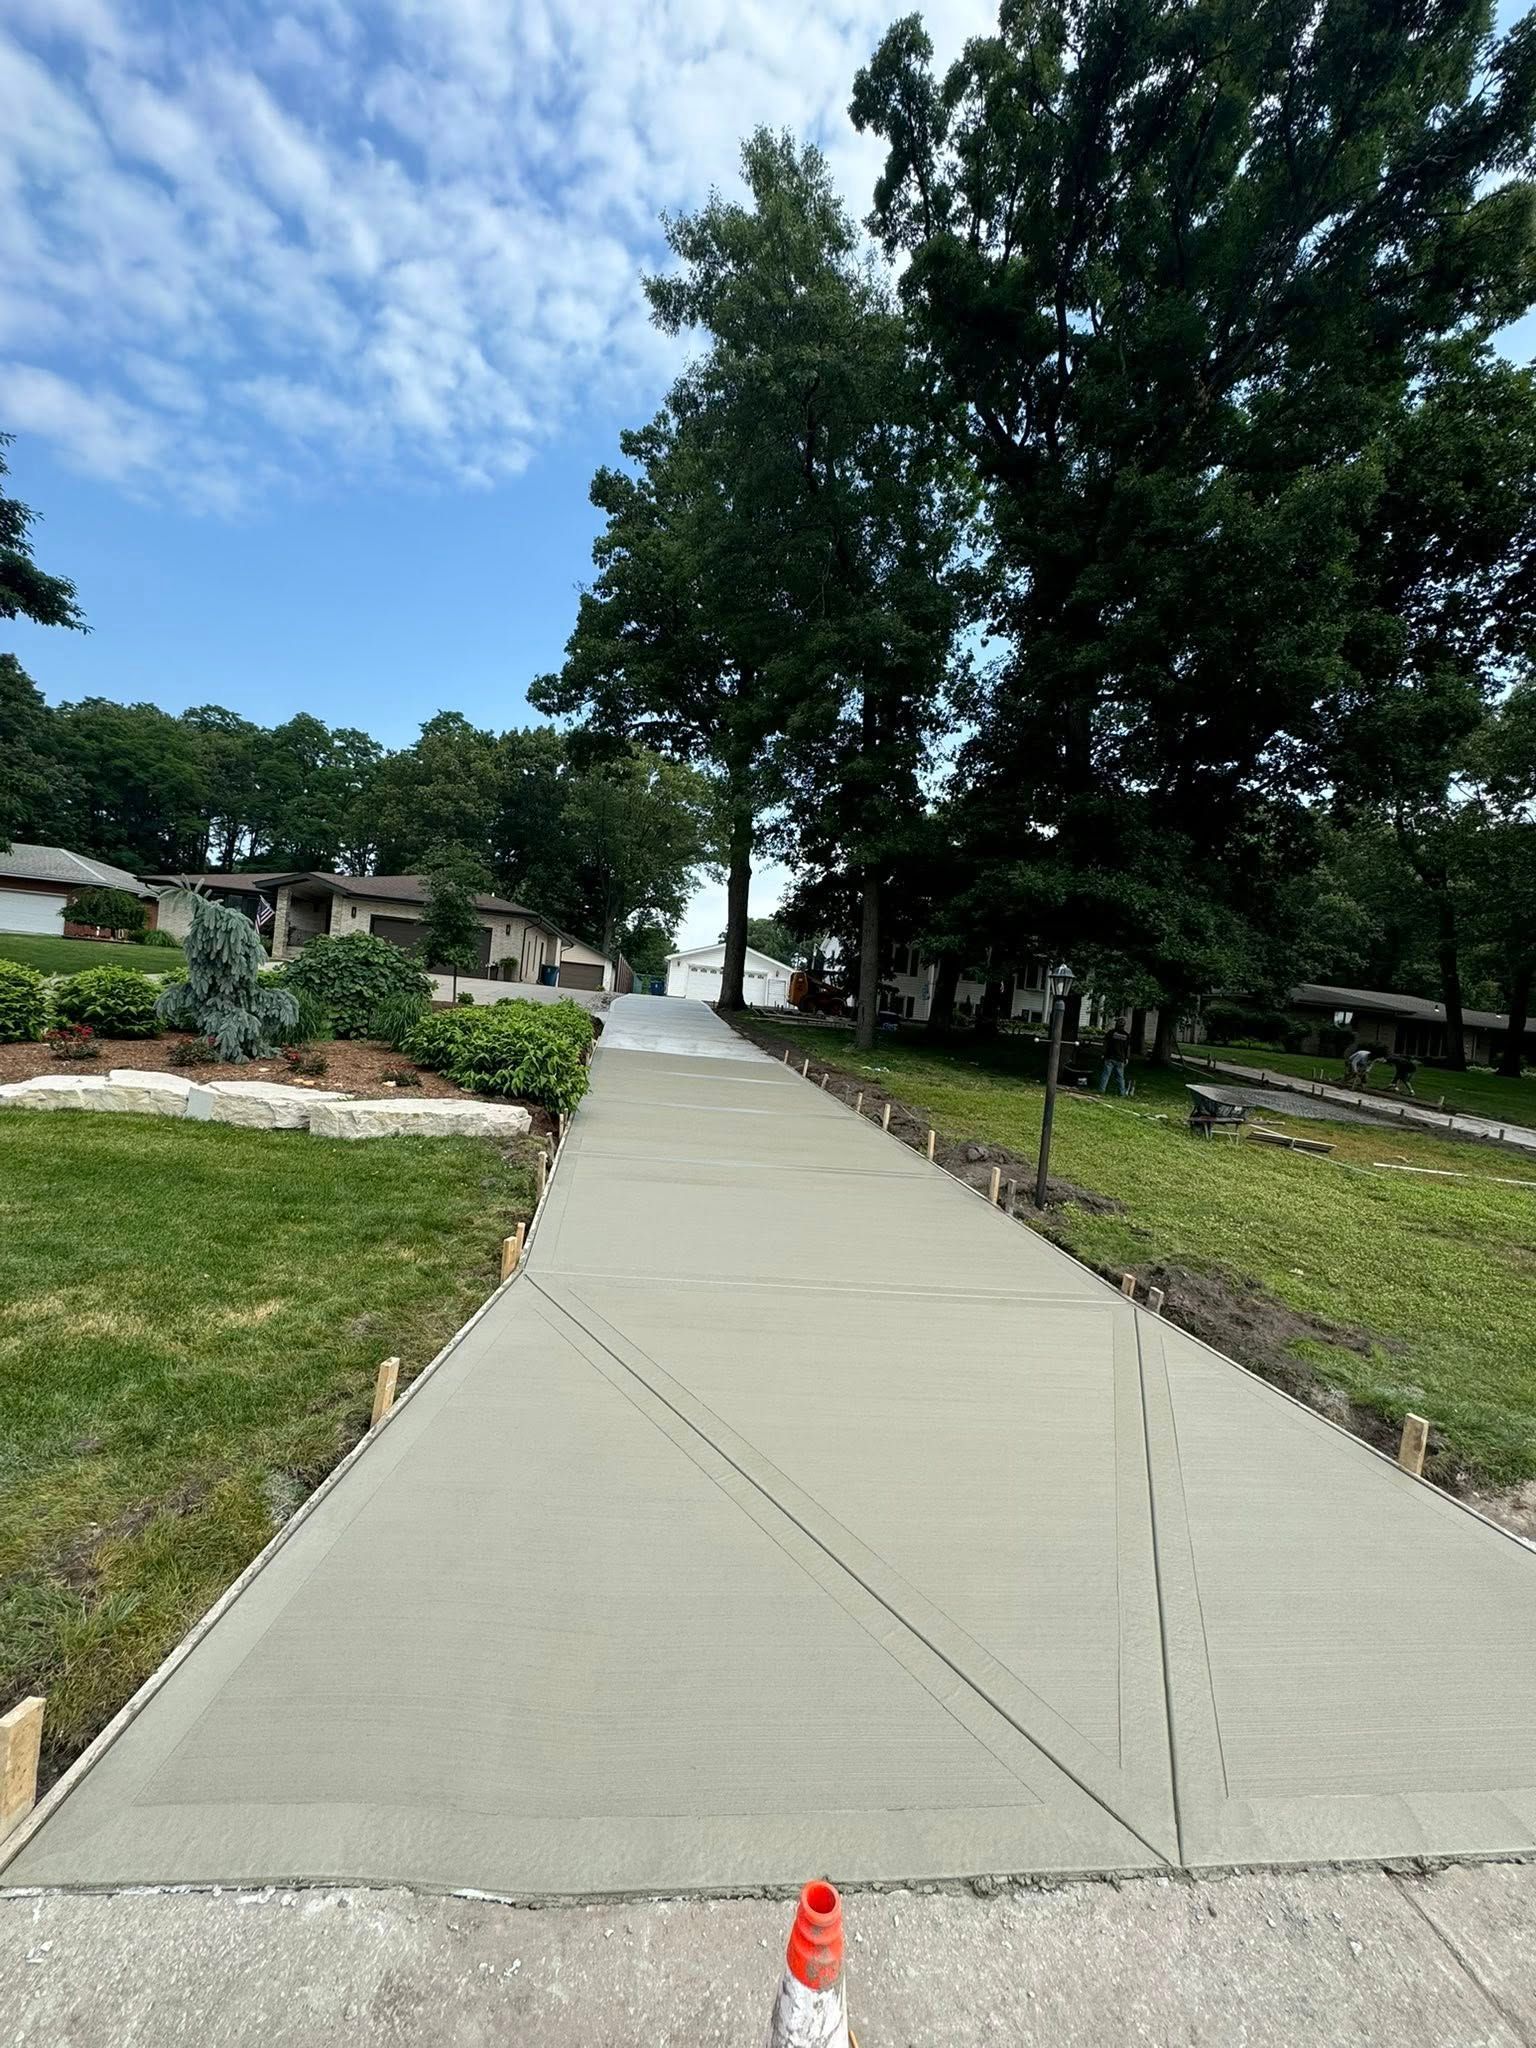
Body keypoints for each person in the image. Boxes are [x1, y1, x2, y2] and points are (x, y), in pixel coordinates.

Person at [1099, 1021, 1132, 1096]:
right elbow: (1128, 1048)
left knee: (1105, 1075)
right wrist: (1127, 1058)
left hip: (1110, 1057)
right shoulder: (1126, 1035)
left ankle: (1101, 1090)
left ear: (1116, 1024)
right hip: (1120, 1059)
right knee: (1120, 1077)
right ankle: (1122, 1093)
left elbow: (1105, 1044)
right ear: (1124, 1025)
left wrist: (1103, 1053)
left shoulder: (1110, 1033)